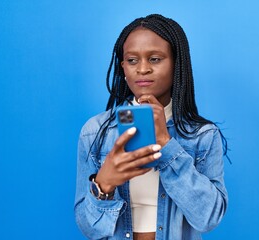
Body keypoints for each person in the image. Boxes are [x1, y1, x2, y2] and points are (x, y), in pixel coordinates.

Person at [74, 14, 228, 240]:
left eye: (155, 59)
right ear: (123, 67)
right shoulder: (95, 132)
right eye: (132, 60)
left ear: (176, 64)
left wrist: (167, 144)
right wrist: (103, 184)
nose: (142, 69)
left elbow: (208, 218)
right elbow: (89, 228)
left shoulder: (202, 136)